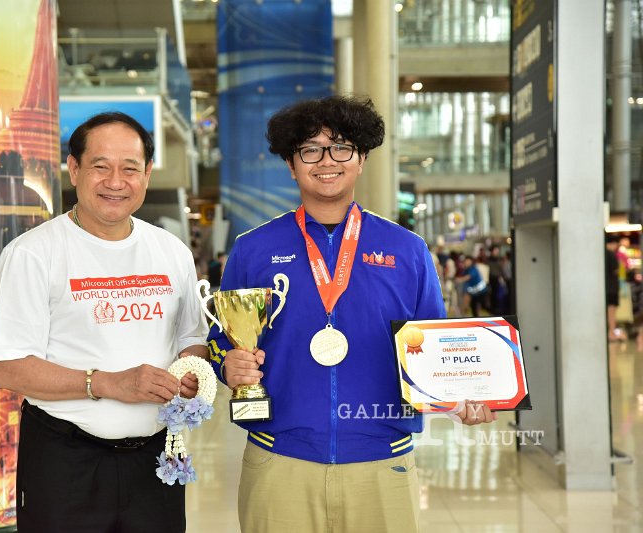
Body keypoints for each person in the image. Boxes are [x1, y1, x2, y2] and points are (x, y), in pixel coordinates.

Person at [207, 95, 495, 533]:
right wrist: (226, 364)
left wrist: (466, 396)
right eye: (310, 149)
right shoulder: (253, 249)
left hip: (383, 464)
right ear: (291, 164)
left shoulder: (408, 250)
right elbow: (220, 342)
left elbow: (438, 350)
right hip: (278, 460)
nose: (327, 160)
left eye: (341, 147)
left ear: (361, 159)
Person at [0, 112, 209, 532]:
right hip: (66, 463)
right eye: (100, 167)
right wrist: (107, 383)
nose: (115, 182)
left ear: (147, 174)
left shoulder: (171, 251)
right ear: (74, 169)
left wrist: (192, 373)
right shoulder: (33, 253)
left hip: (155, 462)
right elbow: (5, 368)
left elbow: (191, 339)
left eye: (130, 169)